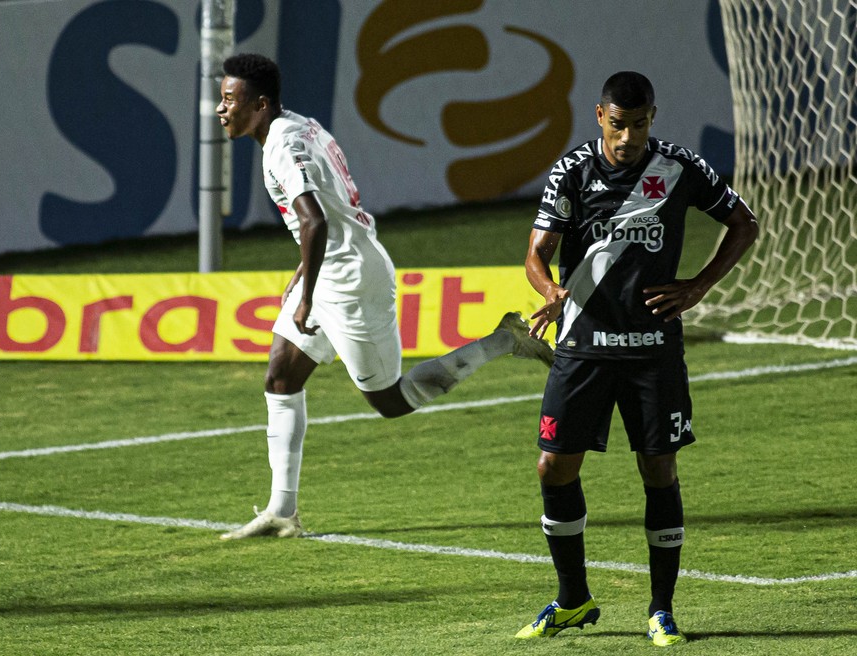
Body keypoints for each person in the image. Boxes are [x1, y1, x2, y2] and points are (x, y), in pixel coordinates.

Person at [215, 53, 553, 541]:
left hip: (349, 282)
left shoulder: (283, 148)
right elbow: (327, 210)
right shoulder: (300, 127)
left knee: (392, 402)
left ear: (260, 104)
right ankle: (281, 511)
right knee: (281, 376)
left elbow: (316, 220)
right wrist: (302, 275)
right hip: (330, 269)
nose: (221, 109)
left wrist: (306, 295)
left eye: (230, 99)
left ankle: (503, 341)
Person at [518, 71, 758, 646]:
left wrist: (697, 286)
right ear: (600, 116)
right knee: (554, 467)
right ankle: (573, 599)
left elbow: (743, 224)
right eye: (619, 124)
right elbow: (535, 254)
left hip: (653, 351)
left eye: (641, 123)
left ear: (654, 116)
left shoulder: (678, 167)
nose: (629, 136)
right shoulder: (571, 171)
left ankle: (661, 609)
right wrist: (549, 291)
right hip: (583, 348)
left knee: (658, 470)